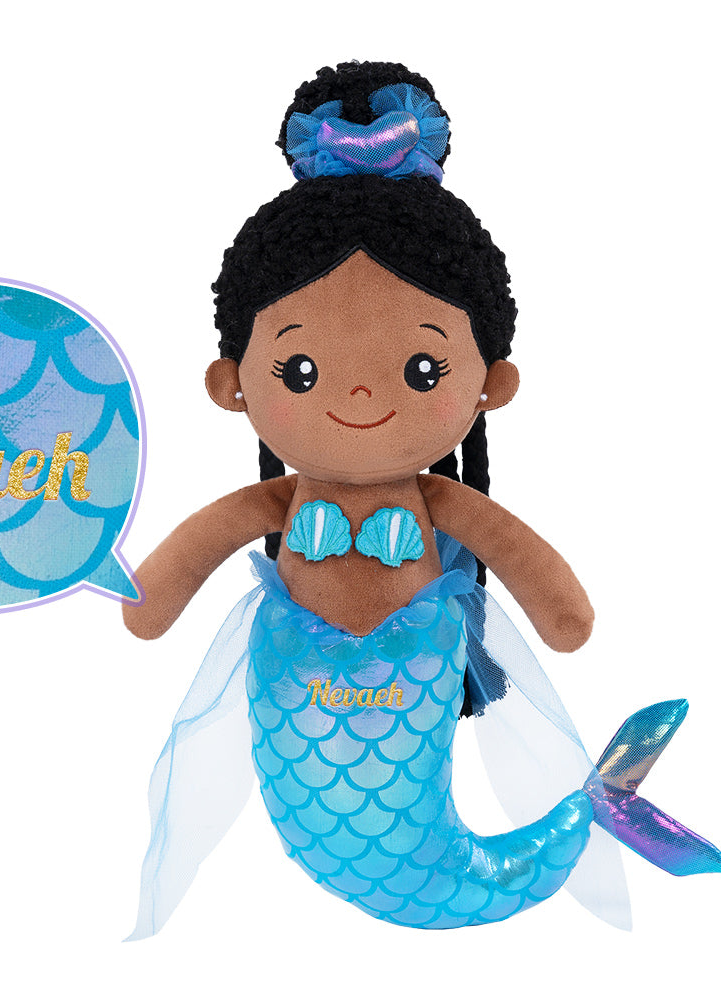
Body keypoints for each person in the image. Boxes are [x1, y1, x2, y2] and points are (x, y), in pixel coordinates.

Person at [123, 61, 721, 937]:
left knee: (392, 826)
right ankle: (592, 812)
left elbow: (566, 620)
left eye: (422, 369)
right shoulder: (275, 505)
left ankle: (581, 819)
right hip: (297, 688)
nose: (362, 398)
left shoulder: (439, 502)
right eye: (299, 369)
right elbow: (148, 608)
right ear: (231, 383)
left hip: (411, 679)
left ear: (491, 384)